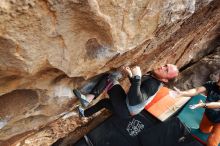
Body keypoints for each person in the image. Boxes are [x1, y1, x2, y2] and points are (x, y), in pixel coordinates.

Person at [73, 64, 179, 119]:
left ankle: (87, 99)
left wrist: (137, 77)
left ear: (165, 80)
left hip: (126, 107)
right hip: (126, 112)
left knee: (109, 79)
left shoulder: (153, 85)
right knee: (104, 103)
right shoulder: (155, 77)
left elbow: (135, 99)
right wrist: (131, 75)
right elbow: (137, 89)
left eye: (166, 70)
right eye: (165, 65)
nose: (162, 67)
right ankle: (84, 114)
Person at [175, 75, 220, 146]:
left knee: (212, 142)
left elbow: (218, 104)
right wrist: (183, 93)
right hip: (209, 114)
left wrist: (203, 105)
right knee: (203, 130)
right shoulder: (211, 84)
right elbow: (196, 90)